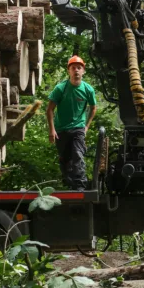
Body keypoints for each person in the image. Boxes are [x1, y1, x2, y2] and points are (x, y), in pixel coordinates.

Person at [47, 55, 97, 190]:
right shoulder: (60, 88)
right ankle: (70, 185)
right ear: (68, 71)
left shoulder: (88, 89)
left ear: (83, 71)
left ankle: (80, 185)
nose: (76, 70)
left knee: (78, 155)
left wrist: (86, 126)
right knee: (64, 158)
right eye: (73, 67)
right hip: (61, 129)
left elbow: (93, 108)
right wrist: (51, 130)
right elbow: (50, 109)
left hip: (78, 128)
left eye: (79, 68)